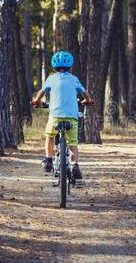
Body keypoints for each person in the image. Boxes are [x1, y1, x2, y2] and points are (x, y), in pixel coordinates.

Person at [31, 51, 93, 180]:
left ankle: (48, 160)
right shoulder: (74, 79)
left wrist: (36, 101)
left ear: (54, 68)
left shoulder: (51, 78)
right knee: (73, 143)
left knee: (49, 136)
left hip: (55, 116)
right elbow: (84, 93)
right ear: (71, 67)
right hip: (72, 116)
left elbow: (42, 92)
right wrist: (88, 100)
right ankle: (75, 165)